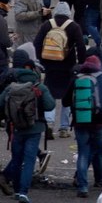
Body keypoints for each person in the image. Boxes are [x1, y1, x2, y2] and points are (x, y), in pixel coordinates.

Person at [0, 48, 55, 202]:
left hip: (16, 128)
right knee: (29, 159)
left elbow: (0, 104)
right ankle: (24, 192)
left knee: (16, 158)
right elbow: (50, 105)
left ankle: (17, 191)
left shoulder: (11, 87)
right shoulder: (39, 87)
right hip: (34, 129)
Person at [71, 54, 102, 197]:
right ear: (98, 65)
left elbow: (67, 101)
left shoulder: (77, 78)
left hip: (80, 122)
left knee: (83, 154)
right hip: (100, 123)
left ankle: (83, 187)